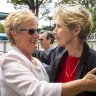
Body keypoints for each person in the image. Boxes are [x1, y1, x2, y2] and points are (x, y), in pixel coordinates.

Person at [0, 9, 96, 96]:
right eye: (31, 31)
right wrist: (82, 84)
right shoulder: (10, 59)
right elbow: (36, 91)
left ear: (76, 31)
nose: (37, 35)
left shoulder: (37, 61)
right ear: (14, 34)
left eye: (58, 26)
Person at [32, 4, 96, 96]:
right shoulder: (59, 51)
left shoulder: (93, 62)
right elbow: (39, 55)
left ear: (76, 30)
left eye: (59, 26)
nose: (54, 31)